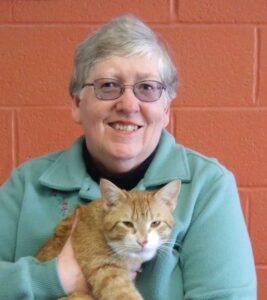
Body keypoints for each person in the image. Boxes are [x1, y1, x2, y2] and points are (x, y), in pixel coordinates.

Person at [0, 14, 256, 300]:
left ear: (166, 110)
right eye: (108, 86)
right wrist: (56, 277)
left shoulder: (207, 186)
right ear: (76, 104)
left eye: (147, 88)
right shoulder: (26, 184)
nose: (129, 105)